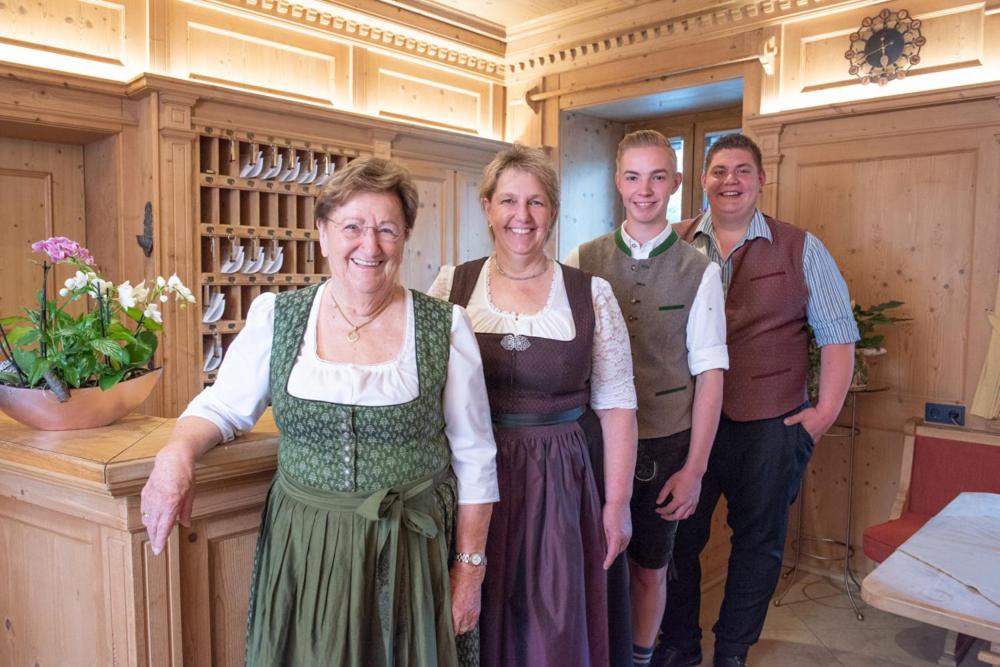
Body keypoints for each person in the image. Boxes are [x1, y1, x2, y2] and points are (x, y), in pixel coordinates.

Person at [140, 157, 498, 666]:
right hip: (306, 548)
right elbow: (223, 407)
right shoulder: (278, 317)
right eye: (352, 227)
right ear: (324, 233)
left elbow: (475, 456)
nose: (369, 246)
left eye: (386, 230)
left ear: (405, 238)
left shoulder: (446, 326)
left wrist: (470, 567)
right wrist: (176, 453)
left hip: (411, 555)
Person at [428, 144, 638, 667]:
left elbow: (616, 408)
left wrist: (617, 504)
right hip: (468, 477)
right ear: (487, 208)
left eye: (537, 203)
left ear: (553, 212)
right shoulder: (450, 285)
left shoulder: (591, 294)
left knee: (552, 614)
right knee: (474, 601)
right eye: (508, 201)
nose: (522, 217)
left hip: (560, 479)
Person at [654, 134, 859, 667]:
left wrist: (820, 417)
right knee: (675, 539)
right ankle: (679, 643)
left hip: (770, 424)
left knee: (758, 544)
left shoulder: (801, 246)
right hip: (687, 422)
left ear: (762, 179)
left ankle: (733, 648)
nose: (730, 181)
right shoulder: (672, 245)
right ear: (703, 180)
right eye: (719, 170)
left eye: (742, 170)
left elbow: (838, 335)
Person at [565, 129, 727, 667]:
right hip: (589, 444)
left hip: (665, 447)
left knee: (649, 567)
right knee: (588, 563)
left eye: (658, 176)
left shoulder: (700, 271)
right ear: (618, 182)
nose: (645, 189)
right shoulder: (580, 259)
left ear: (676, 182)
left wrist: (696, 470)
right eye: (633, 176)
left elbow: (710, 377)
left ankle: (636, 659)